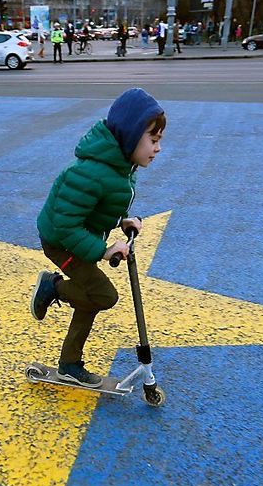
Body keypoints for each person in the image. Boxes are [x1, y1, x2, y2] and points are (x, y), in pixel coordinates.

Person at [29, 88, 166, 387]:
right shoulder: (90, 173)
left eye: (158, 141)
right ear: (130, 136)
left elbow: (99, 206)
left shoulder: (120, 167)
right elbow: (66, 225)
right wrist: (103, 251)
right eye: (153, 141)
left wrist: (122, 221)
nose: (157, 149)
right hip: (60, 241)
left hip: (77, 235)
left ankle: (68, 363)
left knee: (91, 298)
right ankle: (52, 287)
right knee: (104, 296)